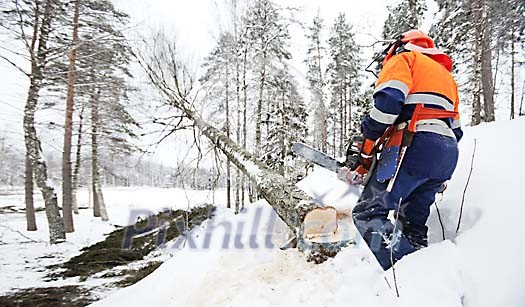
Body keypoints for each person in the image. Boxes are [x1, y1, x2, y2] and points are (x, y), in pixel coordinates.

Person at [348, 29, 463, 270]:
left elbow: (388, 105)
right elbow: (457, 130)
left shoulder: (405, 60)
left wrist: (367, 146)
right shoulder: (446, 78)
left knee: (367, 213)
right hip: (447, 153)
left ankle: (410, 278)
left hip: (414, 143)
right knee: (412, 223)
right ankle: (427, 275)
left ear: (399, 46)